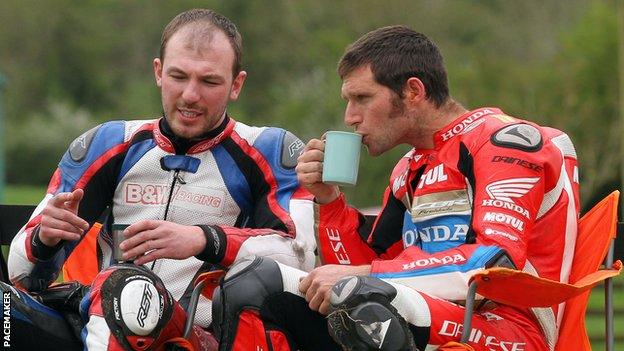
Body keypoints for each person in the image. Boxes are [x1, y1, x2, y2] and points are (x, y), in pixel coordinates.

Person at [212, 25, 580, 351]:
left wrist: (366, 276)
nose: (350, 117)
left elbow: (495, 263)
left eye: (362, 98)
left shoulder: (504, 141)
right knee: (253, 281)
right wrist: (330, 201)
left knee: (360, 298)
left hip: (508, 327)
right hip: (405, 305)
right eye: (348, 101)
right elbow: (362, 262)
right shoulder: (409, 168)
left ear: (413, 91)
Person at [4, 8, 315, 351]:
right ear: (158, 72)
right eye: (178, 77)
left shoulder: (271, 150)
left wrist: (203, 239)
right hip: (92, 320)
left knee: (125, 288)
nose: (190, 95)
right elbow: (21, 274)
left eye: (209, 81)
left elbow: (301, 259)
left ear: (236, 84)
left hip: (197, 337)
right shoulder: (107, 143)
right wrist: (43, 241)